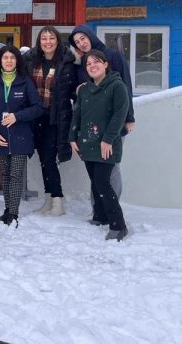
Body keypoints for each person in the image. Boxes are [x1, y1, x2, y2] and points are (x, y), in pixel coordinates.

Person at [69, 25, 136, 203]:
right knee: (94, 166)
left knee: (110, 165)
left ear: (91, 36)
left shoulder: (112, 55)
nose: (81, 43)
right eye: (77, 42)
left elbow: (126, 86)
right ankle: (97, 208)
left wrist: (129, 117)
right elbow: (79, 93)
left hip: (114, 121)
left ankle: (112, 207)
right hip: (92, 124)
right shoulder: (83, 63)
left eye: (83, 38)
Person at [69, 50, 130, 241]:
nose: (92, 66)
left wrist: (108, 139)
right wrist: (72, 137)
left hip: (107, 144)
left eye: (96, 62)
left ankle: (118, 225)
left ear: (105, 64)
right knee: (96, 182)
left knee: (103, 182)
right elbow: (77, 114)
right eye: (88, 64)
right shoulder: (85, 89)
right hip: (87, 143)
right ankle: (100, 216)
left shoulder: (117, 86)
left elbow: (119, 114)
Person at [0, 45, 43, 227]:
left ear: (17, 61)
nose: (8, 61)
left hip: (20, 136)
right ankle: (8, 209)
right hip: (0, 137)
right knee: (6, 175)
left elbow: (37, 107)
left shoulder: (25, 81)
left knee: (16, 175)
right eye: (5, 57)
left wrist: (18, 116)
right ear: (0, 61)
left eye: (12, 58)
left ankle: (13, 213)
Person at [24, 26, 76, 217]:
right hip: (35, 118)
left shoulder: (66, 62)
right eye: (44, 38)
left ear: (57, 40)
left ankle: (58, 201)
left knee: (49, 160)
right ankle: (48, 201)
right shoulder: (31, 60)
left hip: (55, 119)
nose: (47, 42)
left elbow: (73, 88)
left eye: (51, 38)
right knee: (43, 160)